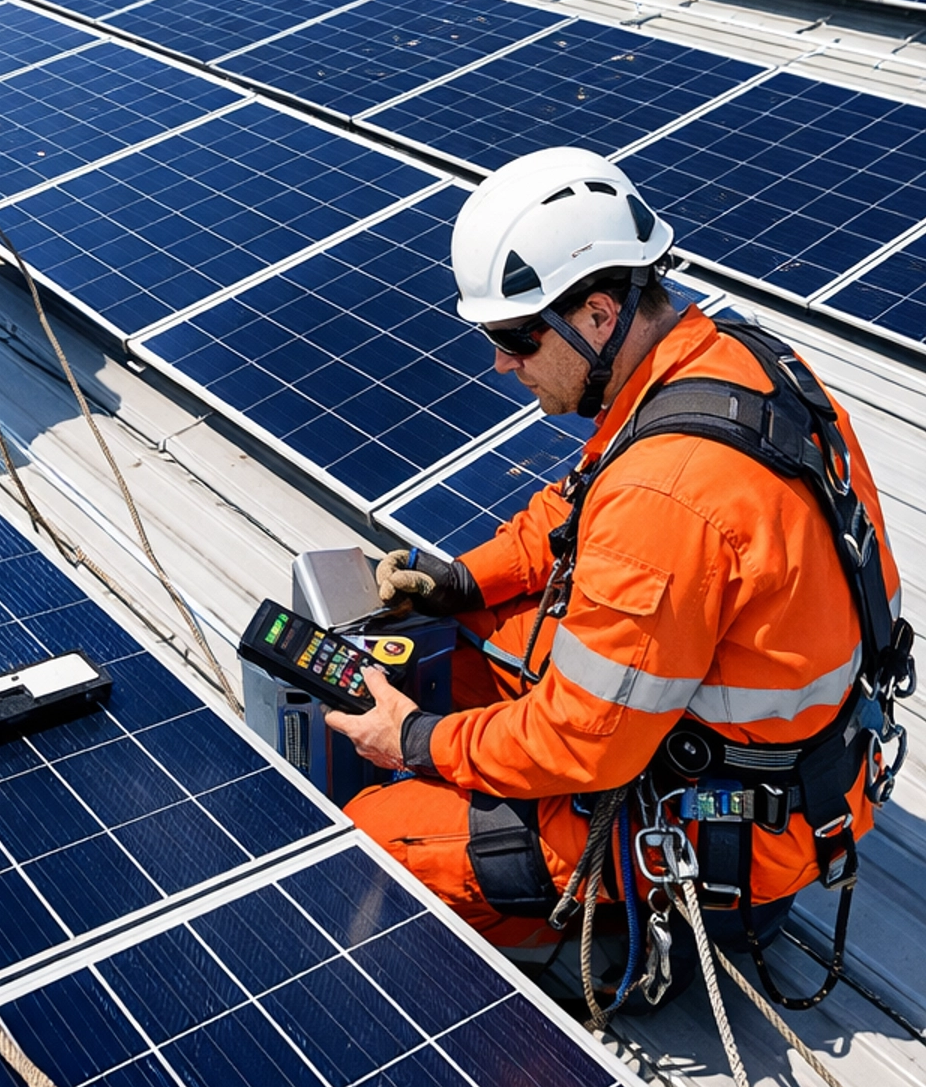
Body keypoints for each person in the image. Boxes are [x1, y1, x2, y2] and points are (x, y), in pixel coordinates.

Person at [324, 146, 902, 965]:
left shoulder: (668, 496)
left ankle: (591, 951)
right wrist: (459, 581)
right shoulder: (715, 362)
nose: (502, 363)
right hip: (772, 756)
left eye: (518, 339)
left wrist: (415, 741)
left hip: (712, 835)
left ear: (597, 315)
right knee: (459, 635)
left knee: (372, 838)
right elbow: (575, 508)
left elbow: (582, 745)